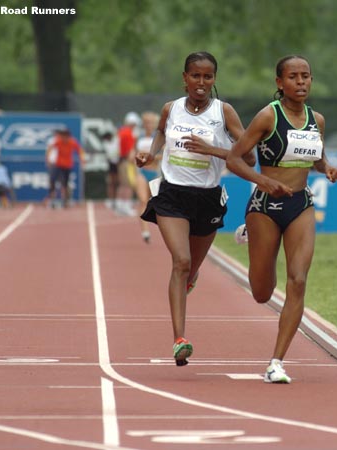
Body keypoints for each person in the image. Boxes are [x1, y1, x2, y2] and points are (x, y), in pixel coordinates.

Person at [226, 55, 337, 384]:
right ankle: (250, 232)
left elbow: (318, 157)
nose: (301, 82)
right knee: (262, 293)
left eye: (306, 76)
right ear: (280, 83)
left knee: (299, 280)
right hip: (265, 206)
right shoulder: (267, 116)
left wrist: (327, 167)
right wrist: (264, 181)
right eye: (293, 77)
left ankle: (276, 361)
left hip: (300, 205)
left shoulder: (316, 120)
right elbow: (235, 159)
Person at [135, 51, 255, 367]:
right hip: (172, 195)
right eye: (195, 76)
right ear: (185, 78)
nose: (201, 83)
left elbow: (250, 158)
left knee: (190, 268)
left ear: (214, 79)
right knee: (181, 261)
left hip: (208, 198)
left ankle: (191, 275)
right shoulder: (170, 109)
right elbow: (161, 131)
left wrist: (212, 149)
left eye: (208, 77)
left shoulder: (223, 112)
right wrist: (151, 154)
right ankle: (179, 340)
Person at [132, 111, 161, 243]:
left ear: (155, 124)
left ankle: (164, 229)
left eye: (151, 122)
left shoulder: (159, 137)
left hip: (155, 173)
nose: (148, 125)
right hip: (142, 173)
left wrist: (151, 157)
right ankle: (145, 231)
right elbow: (133, 154)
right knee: (143, 200)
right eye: (146, 122)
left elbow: (165, 153)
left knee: (156, 203)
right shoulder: (139, 137)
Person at [45, 127, 85, 208]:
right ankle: (52, 200)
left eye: (65, 136)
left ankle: (64, 201)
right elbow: (50, 148)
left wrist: (82, 159)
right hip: (58, 165)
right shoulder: (58, 141)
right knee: (52, 182)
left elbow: (80, 150)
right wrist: (48, 159)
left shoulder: (72, 142)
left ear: (68, 136)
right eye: (62, 135)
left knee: (65, 184)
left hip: (67, 166)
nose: (63, 137)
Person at [115, 112, 141, 216]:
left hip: (121, 161)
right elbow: (131, 152)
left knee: (122, 184)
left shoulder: (121, 132)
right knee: (129, 184)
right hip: (127, 162)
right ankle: (126, 207)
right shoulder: (129, 134)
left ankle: (120, 205)